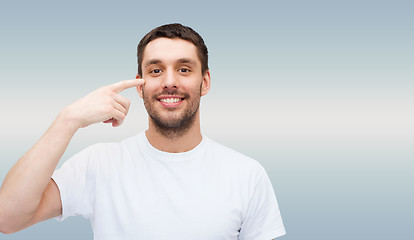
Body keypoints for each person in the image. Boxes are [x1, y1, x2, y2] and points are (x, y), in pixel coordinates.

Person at [0, 23, 286, 239]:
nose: (169, 82)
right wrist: (68, 119)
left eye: (184, 69)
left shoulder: (247, 174)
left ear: (205, 82)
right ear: (140, 84)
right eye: (156, 70)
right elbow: (8, 218)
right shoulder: (100, 164)